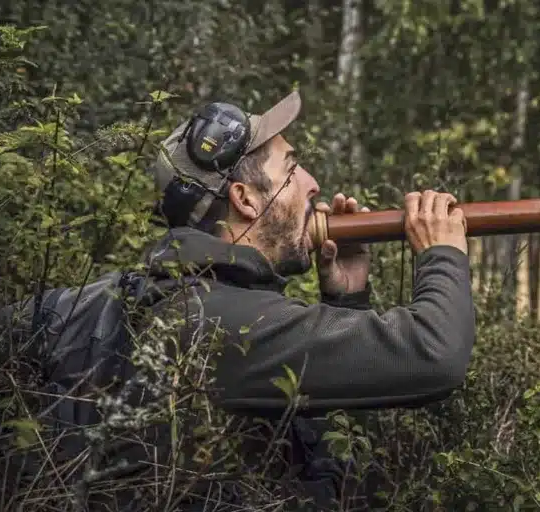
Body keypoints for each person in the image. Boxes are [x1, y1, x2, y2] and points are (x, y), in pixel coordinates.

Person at [137, 90, 476, 510]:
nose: (312, 183)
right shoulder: (225, 320)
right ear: (245, 199)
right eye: (292, 167)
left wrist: (348, 300)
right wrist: (442, 252)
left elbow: (338, 470)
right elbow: (436, 353)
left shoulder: (213, 303)